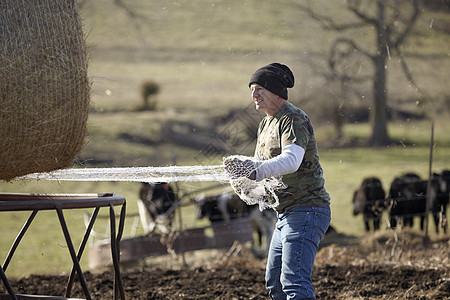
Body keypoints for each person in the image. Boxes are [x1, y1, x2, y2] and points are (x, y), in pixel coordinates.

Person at [226, 63, 331, 299]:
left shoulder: (293, 118)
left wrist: (255, 170)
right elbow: (258, 165)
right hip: (284, 214)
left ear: (275, 91)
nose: (253, 95)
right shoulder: (265, 124)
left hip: (307, 210)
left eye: (258, 89)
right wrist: (244, 184)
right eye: (251, 89)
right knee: (275, 282)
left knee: (293, 282)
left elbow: (291, 161)